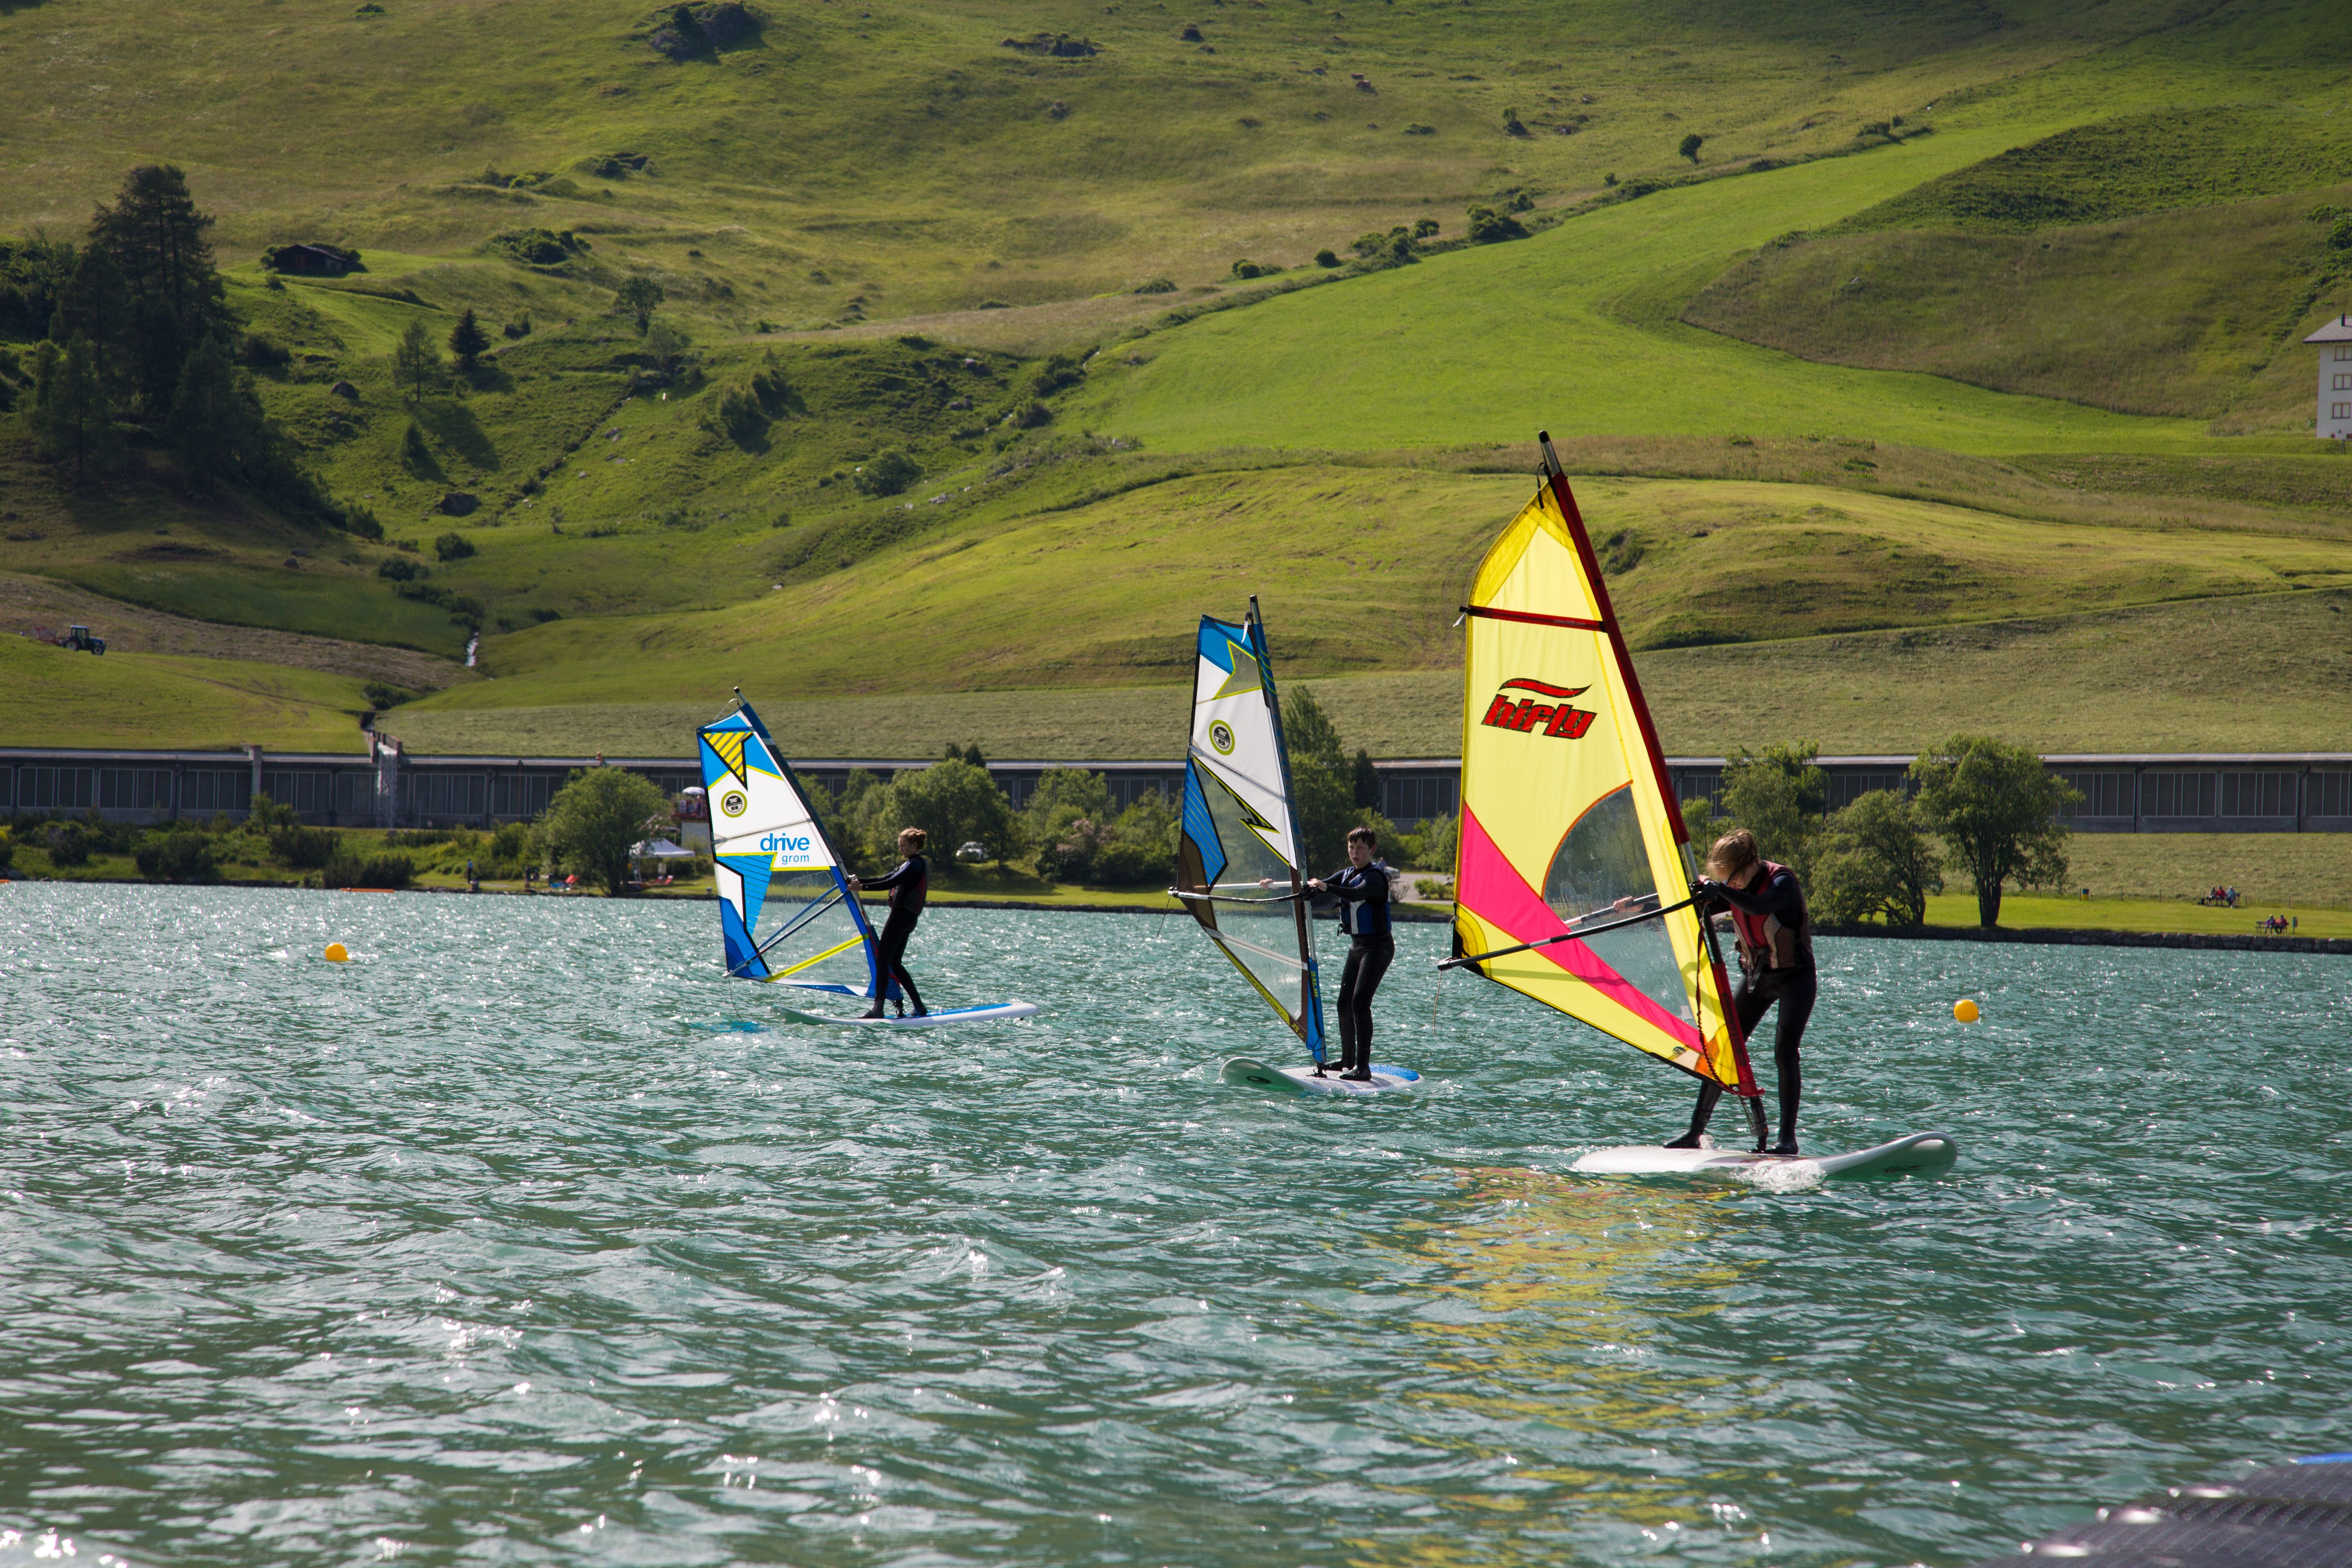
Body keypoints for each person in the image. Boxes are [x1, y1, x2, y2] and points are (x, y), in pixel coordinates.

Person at [1669, 827, 1814, 1156]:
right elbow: (1703, 902)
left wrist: (1720, 889)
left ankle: (1787, 1140)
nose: (1730, 886)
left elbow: (1758, 906)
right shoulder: (1736, 887)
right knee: (1722, 1051)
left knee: (1784, 1052)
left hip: (1796, 978)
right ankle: (1694, 1132)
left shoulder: (1783, 883)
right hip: (1758, 978)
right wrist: (1643, 902)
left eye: (1730, 879)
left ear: (1745, 866)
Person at [1310, 825, 1393, 1081]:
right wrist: (1276, 887)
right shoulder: (1347, 874)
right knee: (1343, 1003)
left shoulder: (1375, 878)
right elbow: (1315, 890)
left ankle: (1363, 1067)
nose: (1354, 852)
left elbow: (1356, 894)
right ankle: (1347, 1060)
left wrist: (1326, 887)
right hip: (1357, 947)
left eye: (1360, 848)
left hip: (1378, 947)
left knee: (1359, 1003)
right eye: (1351, 847)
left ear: (1372, 850)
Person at [847, 827, 929, 1020]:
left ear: (914, 846)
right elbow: (883, 879)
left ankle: (878, 1008)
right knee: (894, 962)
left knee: (882, 959)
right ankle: (919, 1006)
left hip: (901, 917)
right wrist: (857, 882)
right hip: (908, 919)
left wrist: (863, 888)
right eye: (899, 846)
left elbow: (890, 883)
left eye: (903, 846)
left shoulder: (915, 865)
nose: (900, 849)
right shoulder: (909, 865)